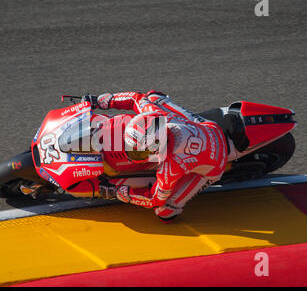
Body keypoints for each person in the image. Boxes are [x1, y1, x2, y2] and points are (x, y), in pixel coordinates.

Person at [90, 90, 228, 223]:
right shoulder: (157, 115)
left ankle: (202, 180)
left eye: (140, 152)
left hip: (216, 164)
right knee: (153, 96)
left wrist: (120, 193)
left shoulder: (170, 168)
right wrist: (104, 101)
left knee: (165, 212)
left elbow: (154, 199)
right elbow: (135, 98)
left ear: (158, 148)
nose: (132, 154)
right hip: (209, 128)